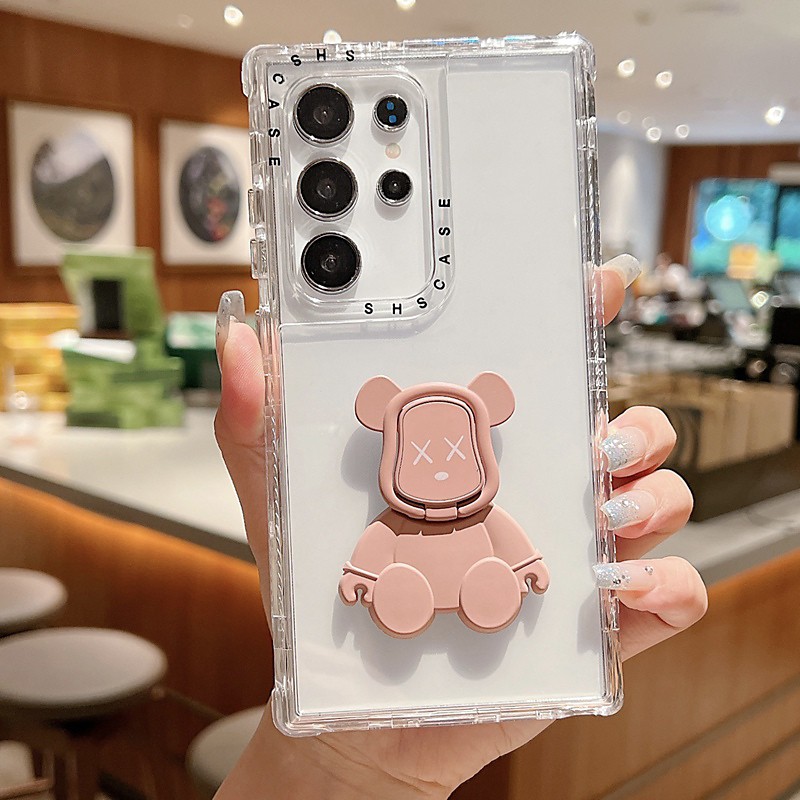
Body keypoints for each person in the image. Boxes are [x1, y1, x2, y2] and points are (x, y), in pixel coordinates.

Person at [212, 255, 707, 799]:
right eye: (422, 454)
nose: (442, 467)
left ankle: (483, 590)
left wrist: (530, 566)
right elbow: (375, 545)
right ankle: (410, 595)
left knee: (489, 576)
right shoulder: (392, 527)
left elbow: (509, 540)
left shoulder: (486, 520)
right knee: (404, 587)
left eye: (454, 451)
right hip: (404, 603)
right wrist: (360, 578)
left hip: (480, 582)